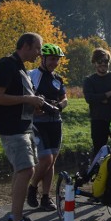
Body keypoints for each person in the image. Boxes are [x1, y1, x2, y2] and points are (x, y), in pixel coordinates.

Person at [0, 32, 47, 221]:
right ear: (25, 45)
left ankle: (16, 216)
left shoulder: (20, 67)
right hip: (12, 128)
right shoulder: (6, 64)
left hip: (24, 126)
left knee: (21, 171)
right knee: (26, 170)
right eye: (37, 48)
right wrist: (27, 99)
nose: (39, 53)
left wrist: (35, 104)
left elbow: (21, 99)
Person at [26, 43, 68, 212]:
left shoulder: (57, 79)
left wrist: (59, 106)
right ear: (42, 58)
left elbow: (65, 99)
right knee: (46, 159)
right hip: (38, 123)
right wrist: (36, 106)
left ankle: (45, 197)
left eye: (57, 60)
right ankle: (32, 187)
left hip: (55, 122)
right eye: (52, 59)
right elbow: (27, 97)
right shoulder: (32, 75)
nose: (54, 63)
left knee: (52, 163)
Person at [82, 48, 111, 156]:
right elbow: (89, 98)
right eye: (100, 61)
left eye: (106, 61)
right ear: (94, 63)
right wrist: (108, 94)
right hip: (98, 121)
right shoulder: (89, 80)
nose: (103, 64)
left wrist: (101, 99)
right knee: (99, 152)